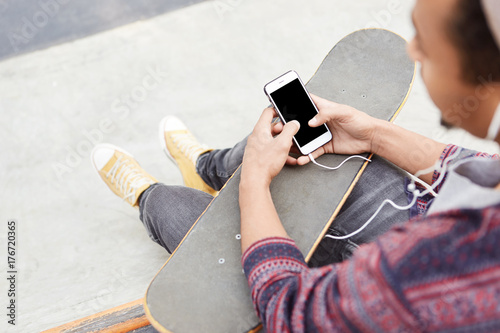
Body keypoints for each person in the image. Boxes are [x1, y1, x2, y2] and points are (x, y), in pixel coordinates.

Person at [92, 0, 500, 330]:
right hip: (419, 225)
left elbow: (288, 307)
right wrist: (373, 135)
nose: (413, 50)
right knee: (311, 150)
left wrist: (254, 180)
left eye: (425, 45)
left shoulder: (435, 272)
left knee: (175, 211)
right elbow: (483, 169)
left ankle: (148, 195)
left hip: (382, 292)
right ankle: (206, 166)